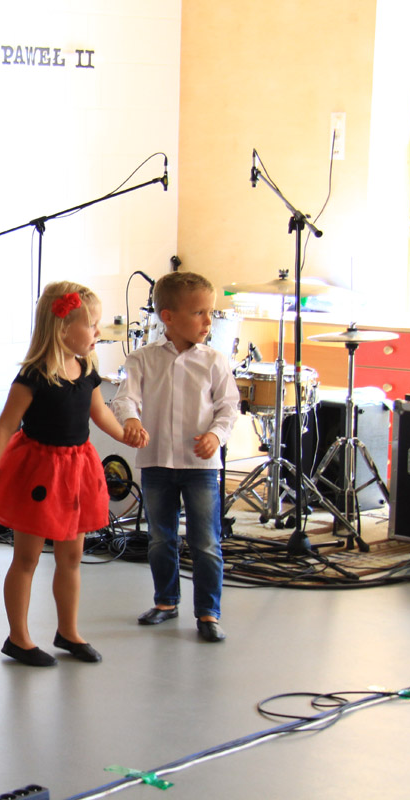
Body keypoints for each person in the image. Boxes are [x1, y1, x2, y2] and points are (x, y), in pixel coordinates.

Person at [0, 282, 143, 667]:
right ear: (63, 328)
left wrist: (125, 434)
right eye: (92, 324)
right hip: (39, 473)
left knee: (72, 556)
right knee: (27, 557)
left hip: (77, 470)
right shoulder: (34, 376)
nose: (98, 331)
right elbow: (5, 426)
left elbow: (100, 413)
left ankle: (68, 631)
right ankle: (18, 637)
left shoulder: (87, 369)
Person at [110, 270, 239, 643]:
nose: (208, 321)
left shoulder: (215, 361)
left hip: (200, 467)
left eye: (210, 312)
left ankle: (208, 612)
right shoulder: (142, 359)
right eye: (199, 313)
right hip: (156, 463)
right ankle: (166, 601)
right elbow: (125, 398)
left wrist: (215, 436)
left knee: (206, 542)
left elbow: (228, 408)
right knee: (160, 538)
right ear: (167, 316)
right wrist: (131, 420)